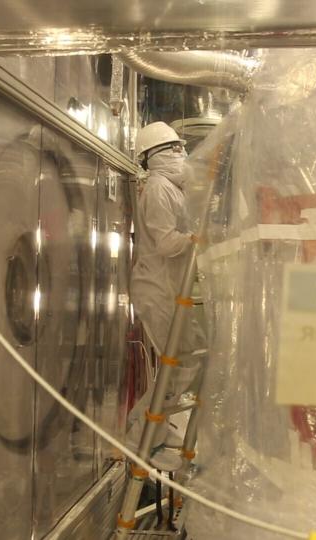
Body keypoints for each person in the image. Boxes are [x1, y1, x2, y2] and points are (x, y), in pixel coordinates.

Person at [128, 121, 205, 470]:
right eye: (172, 149)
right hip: (155, 289)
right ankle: (139, 436)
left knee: (186, 359)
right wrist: (195, 240)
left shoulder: (175, 188)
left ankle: (157, 431)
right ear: (152, 158)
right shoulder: (159, 188)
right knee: (178, 363)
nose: (180, 154)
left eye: (180, 148)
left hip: (167, 288)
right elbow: (165, 242)